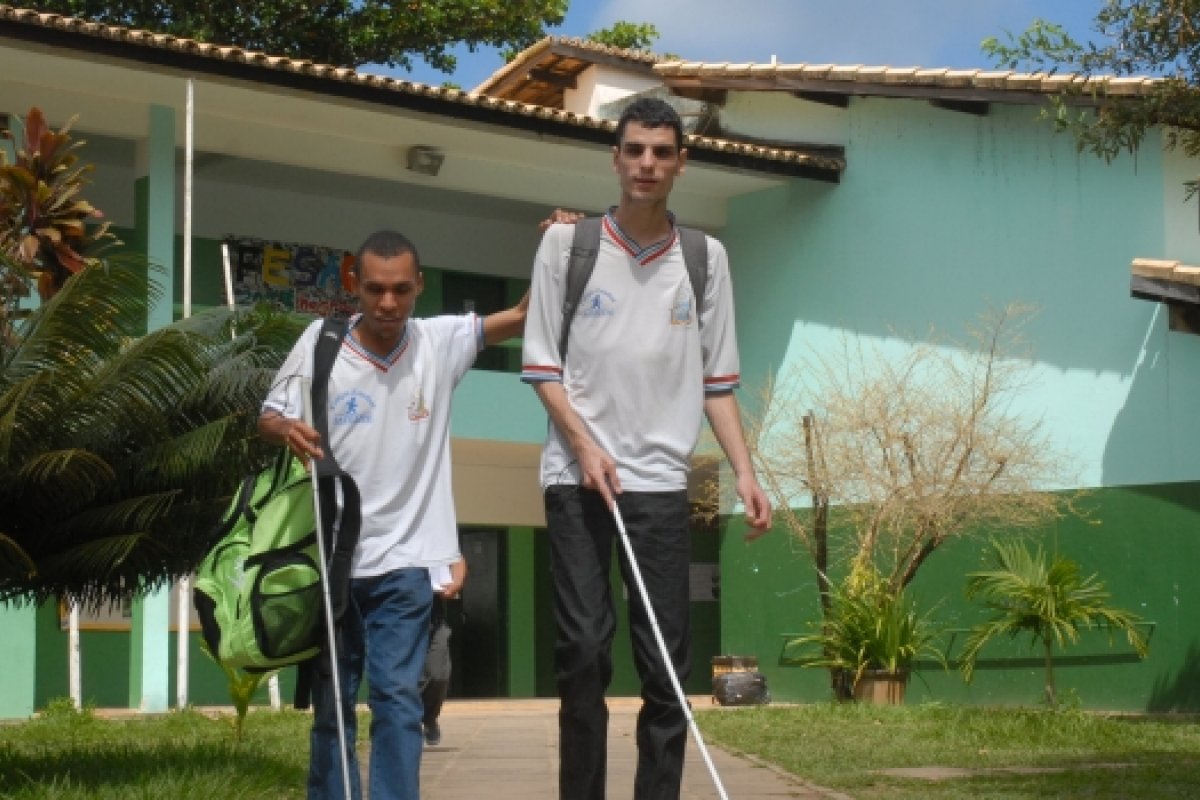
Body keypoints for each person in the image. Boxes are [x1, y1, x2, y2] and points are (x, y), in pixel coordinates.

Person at [520, 97, 773, 800]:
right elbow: (542, 367)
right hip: (577, 481)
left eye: (662, 153)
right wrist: (584, 445)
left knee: (665, 668)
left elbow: (717, 382)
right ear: (616, 156)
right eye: (635, 150)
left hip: (663, 486)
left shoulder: (704, 259)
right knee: (582, 652)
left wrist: (747, 474)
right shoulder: (565, 248)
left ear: (680, 164)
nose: (647, 164)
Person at [259, 229, 528, 800]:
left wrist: (558, 245)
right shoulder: (320, 342)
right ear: (354, 283)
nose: (387, 303)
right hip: (332, 558)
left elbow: (525, 314)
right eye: (376, 289)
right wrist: (287, 428)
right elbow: (270, 412)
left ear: (420, 287)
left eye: (401, 290)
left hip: (406, 563)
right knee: (332, 708)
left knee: (399, 703)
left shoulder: (441, 341)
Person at [420, 555, 466, 746]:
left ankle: (429, 718)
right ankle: (404, 722)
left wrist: (456, 581)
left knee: (439, 674)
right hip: (399, 620)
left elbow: (456, 557)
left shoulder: (433, 530)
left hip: (434, 620)